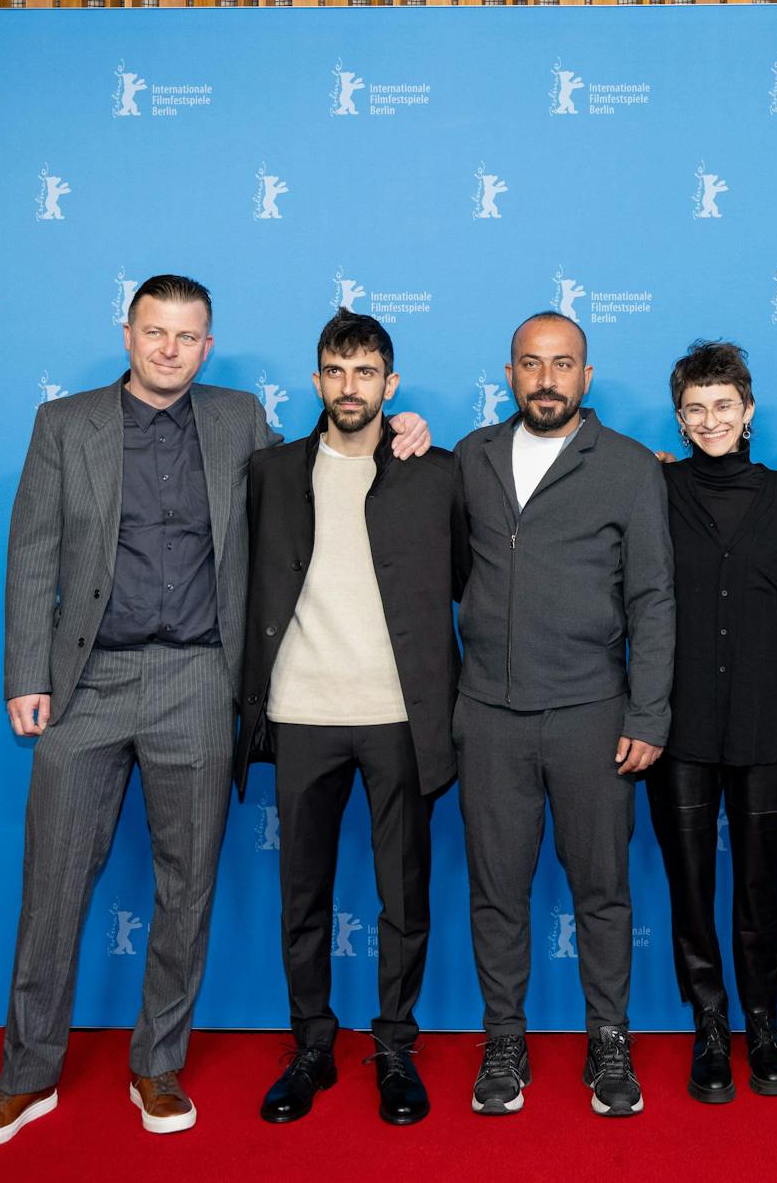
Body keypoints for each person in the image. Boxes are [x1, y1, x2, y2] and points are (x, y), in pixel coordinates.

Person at [0, 276, 429, 1149]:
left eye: (187, 336)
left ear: (208, 346)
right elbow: (33, 550)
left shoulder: (240, 419)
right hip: (88, 681)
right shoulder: (64, 424)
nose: (169, 349)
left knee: (188, 885)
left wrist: (402, 430)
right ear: (128, 334)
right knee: (54, 883)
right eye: (155, 331)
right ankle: (26, 1074)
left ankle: (157, 1064)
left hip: (200, 678)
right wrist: (26, 672)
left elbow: (320, 469)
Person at [232, 311, 467, 1128]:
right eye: (335, 370)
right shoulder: (269, 472)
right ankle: (311, 1044)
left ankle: (395, 1046)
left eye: (366, 372)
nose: (350, 386)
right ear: (316, 380)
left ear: (390, 383)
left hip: (400, 716)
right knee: (303, 894)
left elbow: (466, 576)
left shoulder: (435, 472)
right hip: (300, 711)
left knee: (404, 895)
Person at [452, 311, 675, 1118]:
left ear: (587, 374)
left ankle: (609, 1039)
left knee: (602, 890)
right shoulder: (471, 456)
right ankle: (503, 1040)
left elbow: (653, 597)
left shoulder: (627, 465)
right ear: (510, 372)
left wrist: (648, 713)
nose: (546, 379)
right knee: (496, 890)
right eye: (530, 363)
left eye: (562, 363)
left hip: (592, 713)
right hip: (490, 713)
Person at [651, 341, 777, 1104]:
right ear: (679, 420)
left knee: (761, 881)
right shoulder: (656, 487)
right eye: (695, 409)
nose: (710, 420)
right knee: (690, 880)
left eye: (723, 405)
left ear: (748, 411)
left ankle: (763, 1020)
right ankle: (710, 1021)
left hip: (764, 719)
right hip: (678, 724)